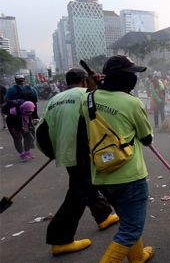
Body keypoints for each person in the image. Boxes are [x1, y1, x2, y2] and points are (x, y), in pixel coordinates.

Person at [35, 68, 119, 256]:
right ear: (84, 81)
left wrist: (53, 152)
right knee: (79, 192)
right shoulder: (87, 95)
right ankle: (60, 238)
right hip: (85, 152)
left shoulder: (54, 100)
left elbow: (41, 131)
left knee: (83, 186)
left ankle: (103, 215)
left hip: (67, 154)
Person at [80, 55, 154, 262]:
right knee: (131, 229)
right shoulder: (131, 102)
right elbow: (146, 138)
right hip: (129, 176)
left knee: (126, 219)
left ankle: (137, 257)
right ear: (124, 78)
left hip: (102, 176)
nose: (134, 78)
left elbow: (91, 103)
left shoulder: (89, 99)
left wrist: (96, 88)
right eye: (131, 74)